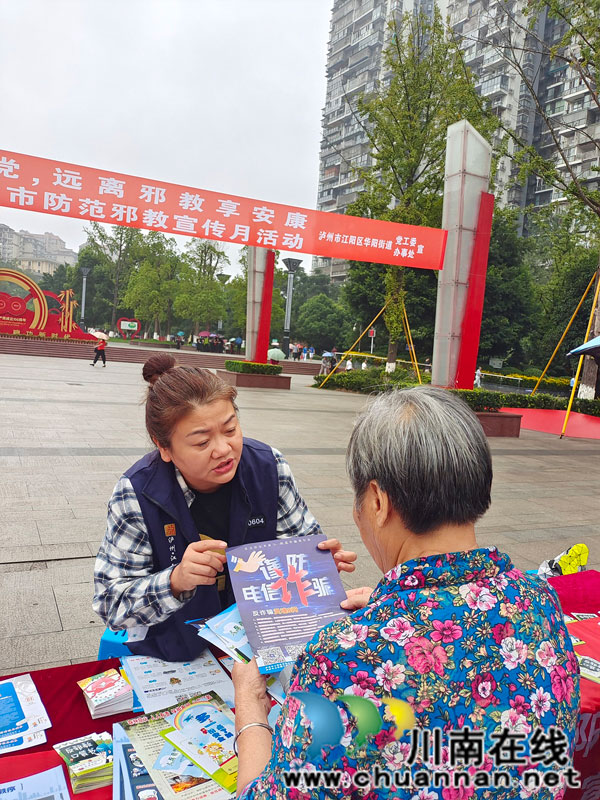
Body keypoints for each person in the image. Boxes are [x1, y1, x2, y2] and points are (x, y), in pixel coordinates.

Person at [231, 387, 580, 798]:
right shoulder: (540, 600)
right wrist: (390, 615)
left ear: (378, 501)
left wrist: (250, 704)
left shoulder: (340, 658)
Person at [93, 354, 356, 661]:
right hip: (175, 650)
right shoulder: (137, 493)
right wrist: (175, 581)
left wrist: (316, 567)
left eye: (230, 430)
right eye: (202, 442)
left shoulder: (269, 468)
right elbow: (111, 604)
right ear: (163, 447)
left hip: (262, 645)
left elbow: (300, 547)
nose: (223, 450)